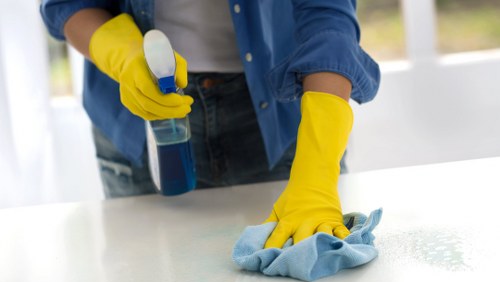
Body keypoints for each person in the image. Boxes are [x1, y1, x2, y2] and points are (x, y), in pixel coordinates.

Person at [40, 0, 380, 248]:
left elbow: (327, 15)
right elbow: (68, 4)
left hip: (276, 117)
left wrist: (317, 172)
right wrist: (122, 54)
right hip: (138, 118)